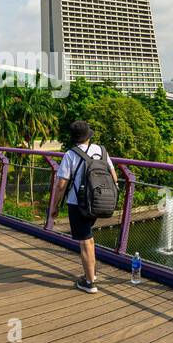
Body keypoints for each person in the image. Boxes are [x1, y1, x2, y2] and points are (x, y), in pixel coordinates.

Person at [48, 119, 118, 293]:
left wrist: (55, 206)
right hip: (97, 201)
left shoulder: (70, 154)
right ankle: (91, 274)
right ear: (88, 135)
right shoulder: (102, 150)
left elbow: (61, 184)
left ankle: (89, 283)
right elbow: (114, 177)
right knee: (89, 238)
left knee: (85, 241)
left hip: (77, 203)